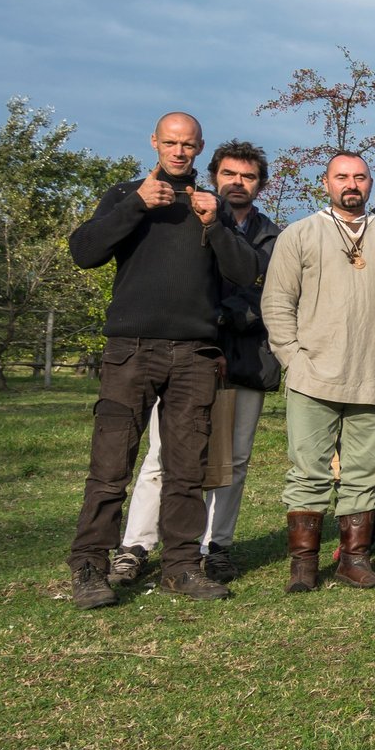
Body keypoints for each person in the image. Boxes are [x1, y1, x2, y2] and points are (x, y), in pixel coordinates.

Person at [65, 113, 259, 608]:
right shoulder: (126, 194)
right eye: (170, 143)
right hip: (130, 349)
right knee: (111, 465)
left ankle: (180, 567)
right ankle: (89, 567)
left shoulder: (210, 204)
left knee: (185, 469)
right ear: (154, 142)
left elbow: (245, 272)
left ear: (199, 149)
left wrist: (213, 224)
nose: (179, 152)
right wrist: (134, 206)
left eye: (188, 145)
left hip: (194, 354)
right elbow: (84, 252)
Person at [109, 140, 280, 589]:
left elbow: (271, 296)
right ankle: (137, 545)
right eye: (229, 174)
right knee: (164, 455)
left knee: (234, 458)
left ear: (260, 185)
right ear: (214, 175)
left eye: (248, 176)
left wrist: (222, 318)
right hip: (186, 353)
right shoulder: (187, 214)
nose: (237, 183)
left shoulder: (273, 236)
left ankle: (214, 546)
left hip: (245, 358)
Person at [264, 152, 375, 593]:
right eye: (341, 177)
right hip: (312, 373)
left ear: (370, 184)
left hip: (373, 374)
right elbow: (277, 304)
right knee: (307, 471)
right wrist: (293, 360)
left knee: (364, 471)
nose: (351, 184)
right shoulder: (300, 234)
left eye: (359, 177)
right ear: (327, 182)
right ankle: (304, 565)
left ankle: (354, 558)